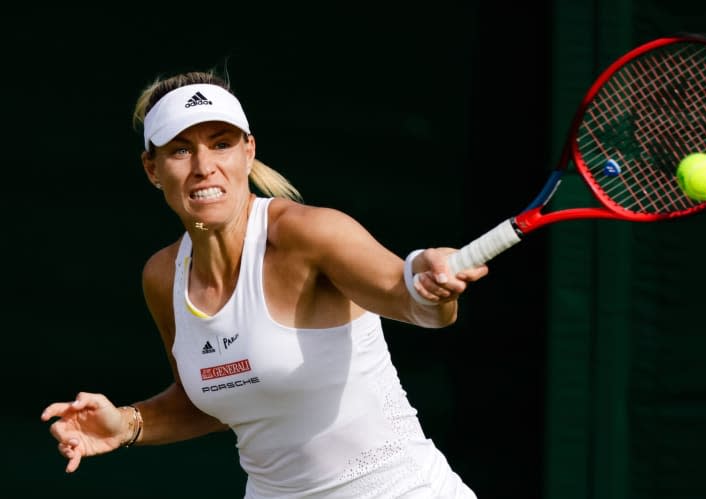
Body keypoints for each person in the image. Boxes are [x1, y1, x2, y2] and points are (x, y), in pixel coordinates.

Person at [40, 70, 488, 498]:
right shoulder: (162, 276)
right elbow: (212, 398)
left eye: (221, 144)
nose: (204, 166)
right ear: (152, 169)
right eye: (180, 150)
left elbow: (414, 302)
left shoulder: (309, 234)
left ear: (248, 152)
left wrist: (428, 276)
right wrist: (125, 424)